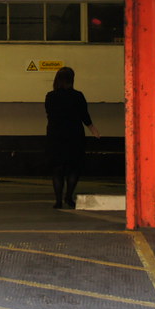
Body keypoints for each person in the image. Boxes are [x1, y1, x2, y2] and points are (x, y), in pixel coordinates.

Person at [44, 66, 100, 209]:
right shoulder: (78, 96)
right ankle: (69, 197)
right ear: (72, 80)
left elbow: (50, 115)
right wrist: (93, 129)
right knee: (73, 168)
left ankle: (58, 201)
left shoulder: (50, 96)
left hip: (55, 135)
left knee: (57, 169)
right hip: (74, 135)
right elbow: (84, 115)